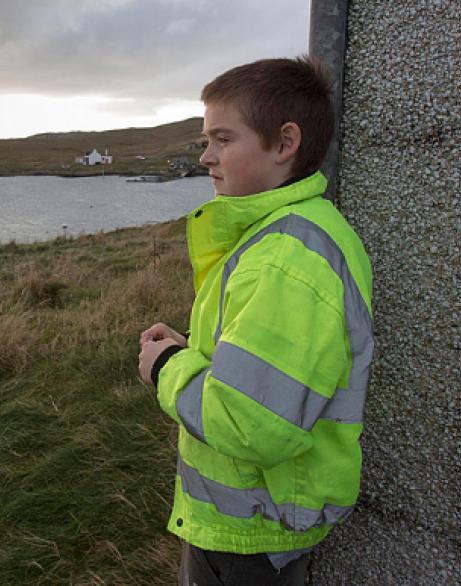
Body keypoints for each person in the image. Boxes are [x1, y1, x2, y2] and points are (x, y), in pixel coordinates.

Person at [137, 56, 374, 586]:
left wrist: (167, 367)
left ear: (285, 143)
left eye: (223, 139)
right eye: (206, 140)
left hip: (252, 531)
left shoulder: (286, 260)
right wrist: (195, 348)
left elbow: (250, 423)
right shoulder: (291, 233)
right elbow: (258, 371)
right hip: (261, 520)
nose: (205, 156)